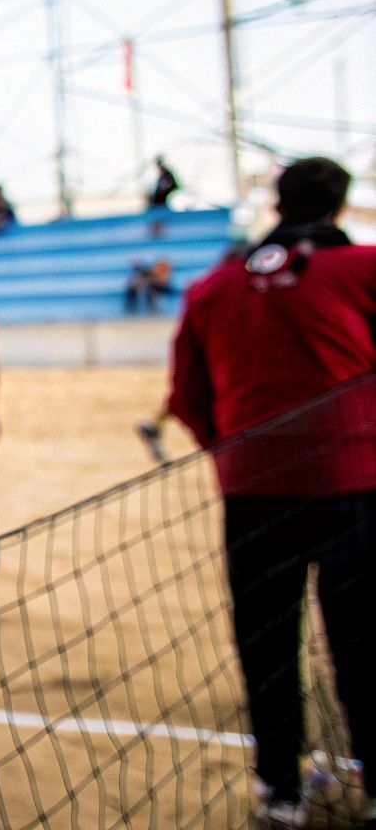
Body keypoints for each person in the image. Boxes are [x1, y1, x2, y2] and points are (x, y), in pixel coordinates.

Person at [167, 157, 376, 830]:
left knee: (265, 644)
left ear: (276, 203)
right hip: (353, 485)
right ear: (339, 205)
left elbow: (187, 400)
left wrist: (238, 456)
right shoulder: (363, 268)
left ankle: (280, 793)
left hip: (252, 492)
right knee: (363, 642)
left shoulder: (212, 287)